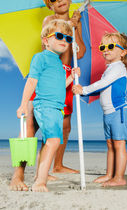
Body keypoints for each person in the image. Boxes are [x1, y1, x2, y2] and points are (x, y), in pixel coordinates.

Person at [15, 19, 80, 192]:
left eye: (68, 38)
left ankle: (39, 175)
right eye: (59, 36)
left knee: (48, 142)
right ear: (45, 40)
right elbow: (31, 81)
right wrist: (22, 105)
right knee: (54, 141)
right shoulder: (41, 57)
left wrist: (71, 78)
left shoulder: (59, 64)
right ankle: (40, 182)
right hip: (45, 105)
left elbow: (60, 87)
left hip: (57, 108)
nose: (64, 40)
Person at [73, 32, 127, 187]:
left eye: (111, 46)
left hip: (118, 112)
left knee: (119, 144)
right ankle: (109, 174)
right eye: (103, 47)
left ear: (123, 52)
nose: (105, 50)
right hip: (107, 113)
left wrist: (84, 90)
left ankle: (119, 177)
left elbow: (104, 83)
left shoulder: (119, 67)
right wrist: (81, 92)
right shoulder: (109, 68)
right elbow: (101, 89)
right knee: (110, 144)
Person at [41, 0, 86, 174]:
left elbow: (81, 51)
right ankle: (43, 167)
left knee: (66, 125)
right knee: (48, 123)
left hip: (68, 74)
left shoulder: (76, 22)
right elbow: (48, 48)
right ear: (49, 5)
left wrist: (74, 28)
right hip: (53, 74)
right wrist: (67, 24)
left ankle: (58, 165)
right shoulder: (49, 21)